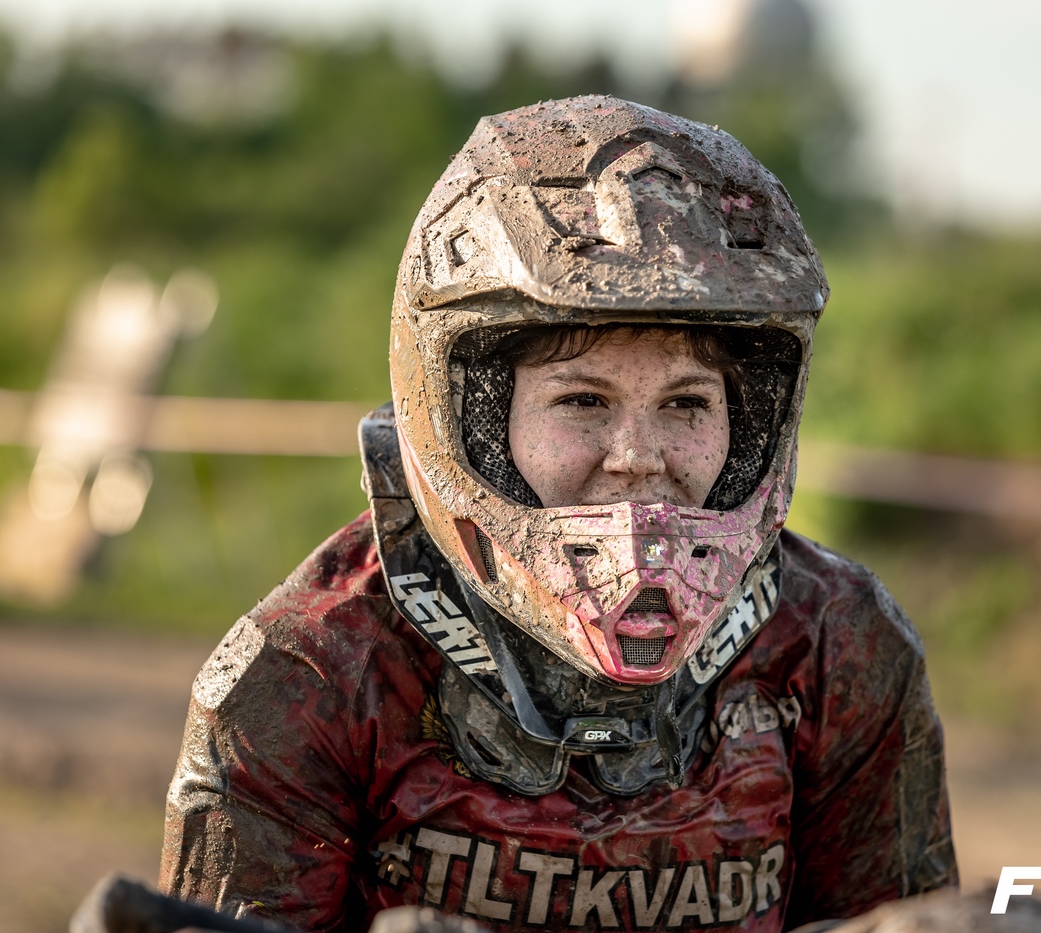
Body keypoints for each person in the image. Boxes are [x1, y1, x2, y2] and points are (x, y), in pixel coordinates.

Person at [160, 95, 956, 932]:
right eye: (582, 399)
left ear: (749, 423)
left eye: (687, 403)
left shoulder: (835, 647)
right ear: (470, 415)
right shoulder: (310, 675)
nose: (638, 456)